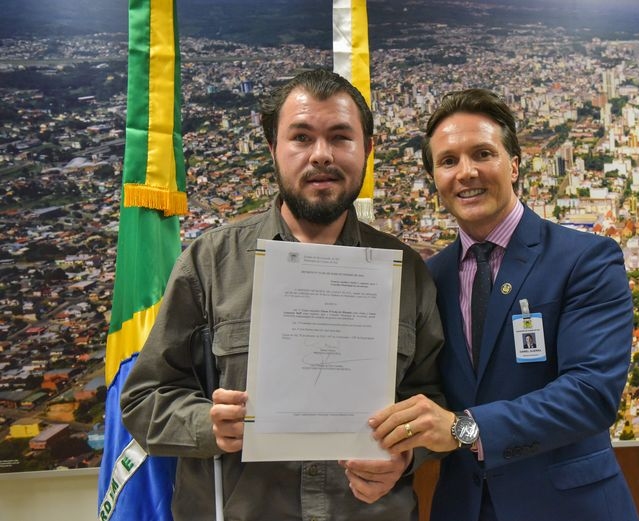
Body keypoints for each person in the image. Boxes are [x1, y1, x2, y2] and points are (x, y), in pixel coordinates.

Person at [120, 68, 446, 521]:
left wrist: (407, 454)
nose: (321, 155)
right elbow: (143, 399)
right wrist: (207, 425)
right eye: (301, 137)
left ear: (367, 150)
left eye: (340, 137)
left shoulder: (407, 272)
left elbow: (434, 396)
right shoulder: (211, 262)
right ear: (273, 148)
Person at [369, 88, 639, 521]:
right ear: (434, 178)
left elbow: (590, 394)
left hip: (569, 508)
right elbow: (422, 394)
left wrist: (464, 428)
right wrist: (397, 451)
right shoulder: (428, 278)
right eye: (448, 161)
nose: (466, 172)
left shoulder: (585, 259)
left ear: (514, 165)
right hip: (465, 508)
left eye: (482, 153)